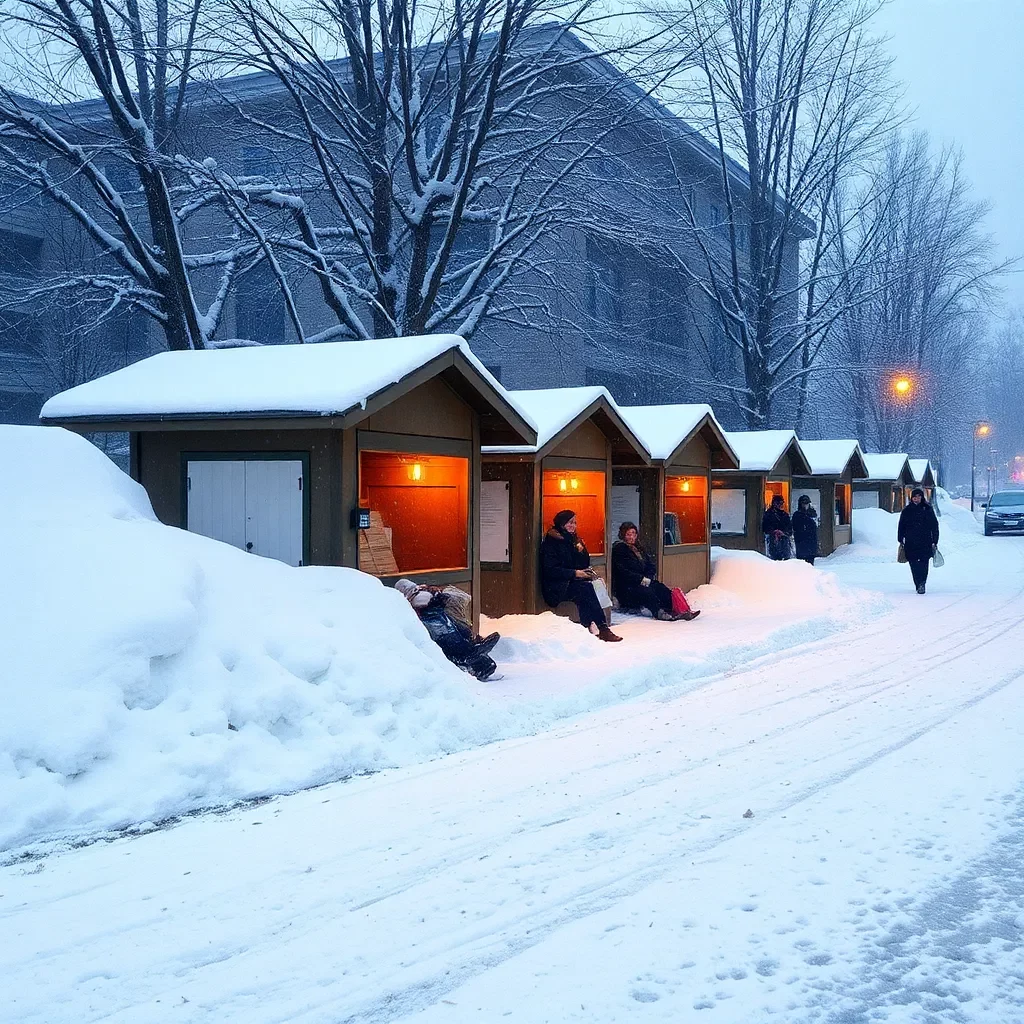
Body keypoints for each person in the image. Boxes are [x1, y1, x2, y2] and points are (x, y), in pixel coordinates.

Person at [540, 509, 622, 642]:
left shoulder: (573, 540)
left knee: (588, 588)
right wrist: (574, 573)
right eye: (570, 522)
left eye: (575, 523)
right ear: (561, 523)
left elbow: (584, 563)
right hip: (556, 586)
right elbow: (550, 570)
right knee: (585, 589)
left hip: (572, 582)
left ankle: (591, 625)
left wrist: (581, 550)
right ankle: (602, 628)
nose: (573, 525)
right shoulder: (551, 542)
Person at [395, 579, 500, 679]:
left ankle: (472, 652)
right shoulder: (416, 596)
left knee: (455, 635)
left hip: (437, 619)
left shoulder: (415, 595)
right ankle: (472, 653)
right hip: (436, 621)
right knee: (453, 637)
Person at [611, 522, 700, 621]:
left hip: (644, 580)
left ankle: (677, 609)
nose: (632, 537)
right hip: (628, 586)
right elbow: (623, 571)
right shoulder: (619, 549)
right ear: (623, 535)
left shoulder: (639, 548)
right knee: (647, 593)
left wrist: (648, 577)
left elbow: (650, 565)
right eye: (628, 534)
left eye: (633, 533)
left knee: (661, 588)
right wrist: (641, 579)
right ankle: (659, 612)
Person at [897, 487, 940, 594]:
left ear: (922, 497)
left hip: (925, 541)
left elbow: (934, 525)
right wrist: (900, 538)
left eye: (919, 496)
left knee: (924, 563)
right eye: (915, 497)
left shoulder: (927, 509)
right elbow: (901, 525)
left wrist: (935, 539)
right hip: (911, 542)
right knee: (913, 564)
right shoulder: (907, 511)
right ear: (911, 498)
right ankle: (917, 583)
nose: (917, 498)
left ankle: (922, 583)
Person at [761, 494, 793, 560]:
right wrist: (774, 532)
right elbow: (765, 527)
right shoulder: (768, 514)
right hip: (772, 541)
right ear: (774, 503)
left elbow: (790, 530)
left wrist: (783, 533)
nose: (780, 505)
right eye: (778, 503)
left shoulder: (785, 515)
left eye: (781, 503)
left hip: (784, 543)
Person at [792, 495, 819, 565]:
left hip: (811, 544)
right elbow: (794, 528)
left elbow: (815, 527)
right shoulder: (797, 515)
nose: (805, 505)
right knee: (801, 566)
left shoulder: (812, 514)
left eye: (807, 503)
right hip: (801, 545)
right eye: (803, 503)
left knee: (810, 565)